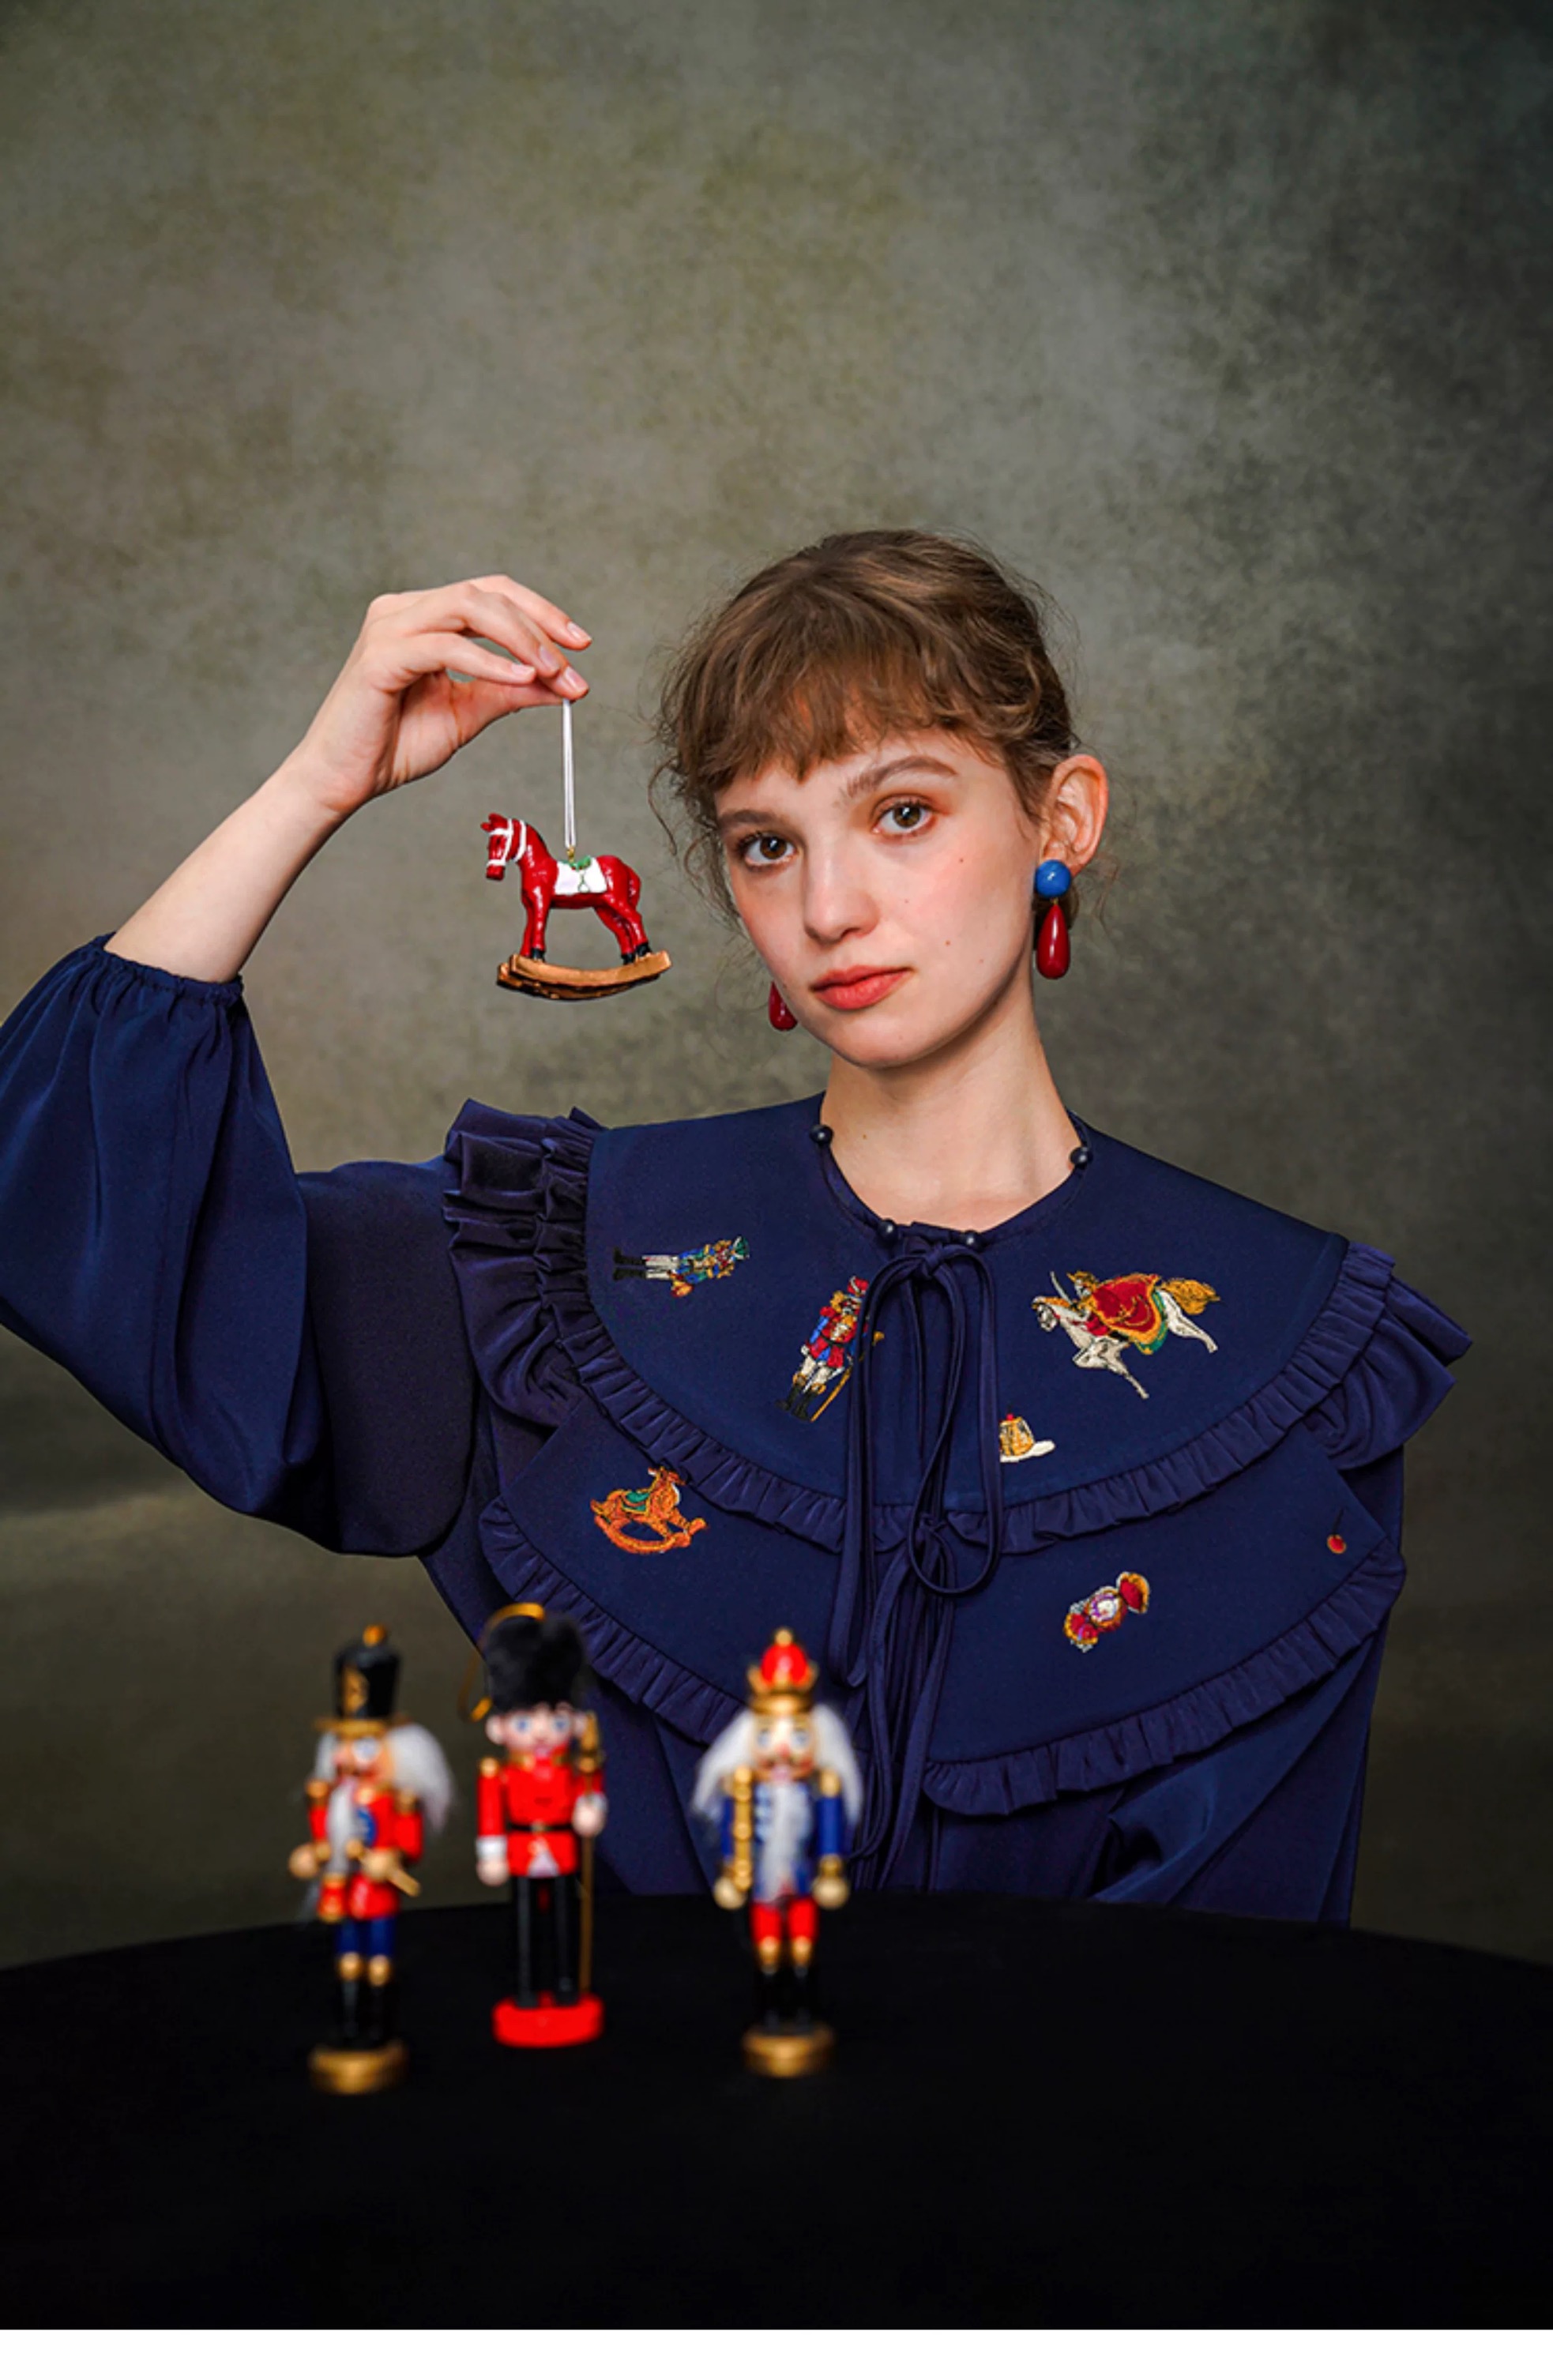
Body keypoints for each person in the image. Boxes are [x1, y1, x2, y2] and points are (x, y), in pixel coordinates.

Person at [0, 532, 1468, 1916]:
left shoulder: (1277, 1344)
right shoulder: (558, 1276)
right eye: (766, 844)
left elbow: (1236, 1984)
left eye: (901, 813)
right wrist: (315, 785)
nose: (829, 906)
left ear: (1060, 819)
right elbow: (71, 1210)